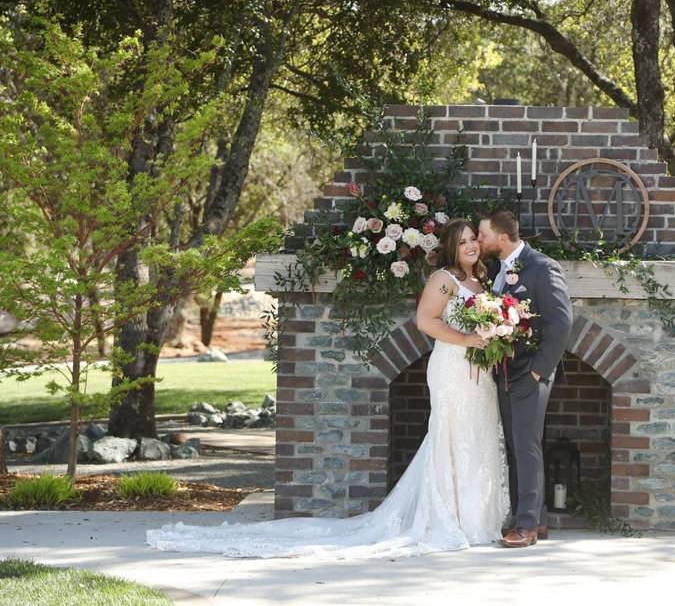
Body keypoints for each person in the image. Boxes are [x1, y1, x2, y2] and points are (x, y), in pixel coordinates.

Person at [146, 219, 509, 559]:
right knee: (450, 437)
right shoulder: (443, 280)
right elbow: (424, 321)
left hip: (478, 372)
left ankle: (477, 520)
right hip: (451, 368)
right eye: (462, 242)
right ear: (451, 247)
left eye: (473, 239)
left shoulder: (482, 281)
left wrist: (491, 339)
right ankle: (449, 519)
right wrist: (466, 339)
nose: (471, 246)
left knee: (477, 436)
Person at [478, 209, 574, 548]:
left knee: (527, 446)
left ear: (502, 238)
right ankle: (534, 516)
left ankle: (527, 525)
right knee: (517, 448)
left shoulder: (542, 267)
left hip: (531, 373)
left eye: (483, 235)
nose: (479, 241)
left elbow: (561, 324)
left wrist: (538, 371)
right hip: (505, 372)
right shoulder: (495, 270)